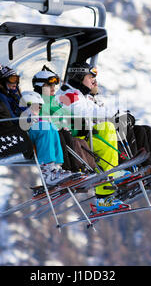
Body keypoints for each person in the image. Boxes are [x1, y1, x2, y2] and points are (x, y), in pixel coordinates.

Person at [0, 59, 71, 186]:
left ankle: (55, 168)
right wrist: (23, 121)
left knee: (51, 127)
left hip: (14, 132)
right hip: (6, 138)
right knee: (43, 127)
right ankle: (47, 172)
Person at [56, 62, 129, 212]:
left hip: (78, 136)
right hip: (69, 141)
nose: (94, 81)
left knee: (107, 130)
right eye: (91, 77)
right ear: (80, 77)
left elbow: (95, 109)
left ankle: (112, 175)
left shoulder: (78, 94)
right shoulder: (67, 94)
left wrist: (116, 114)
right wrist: (113, 114)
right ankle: (105, 194)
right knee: (105, 135)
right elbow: (85, 112)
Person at [32, 66, 97, 172]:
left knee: (80, 142)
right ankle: (72, 169)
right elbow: (47, 120)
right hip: (50, 134)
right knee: (67, 137)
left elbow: (67, 117)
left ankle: (90, 170)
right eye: (49, 85)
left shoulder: (53, 100)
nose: (53, 88)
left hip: (61, 133)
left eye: (54, 85)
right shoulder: (39, 100)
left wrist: (80, 126)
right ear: (40, 86)